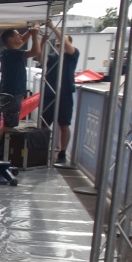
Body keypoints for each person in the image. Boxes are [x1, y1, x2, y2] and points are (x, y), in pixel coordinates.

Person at [40, 24, 79, 164]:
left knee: (64, 124)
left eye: (62, 39)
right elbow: (41, 58)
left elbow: (65, 42)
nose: (58, 41)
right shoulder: (53, 57)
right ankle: (41, 150)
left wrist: (52, 27)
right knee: (44, 123)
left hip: (65, 94)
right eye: (57, 40)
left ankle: (62, 153)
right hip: (50, 94)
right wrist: (42, 43)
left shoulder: (73, 55)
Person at [0, 26, 42, 132]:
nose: (20, 36)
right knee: (9, 125)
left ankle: (0, 142)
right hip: (12, 94)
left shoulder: (7, 52)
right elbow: (35, 51)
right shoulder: (13, 53)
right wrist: (34, 35)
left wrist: (29, 32)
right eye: (17, 35)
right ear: (11, 40)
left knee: (9, 124)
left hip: (11, 93)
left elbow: (21, 41)